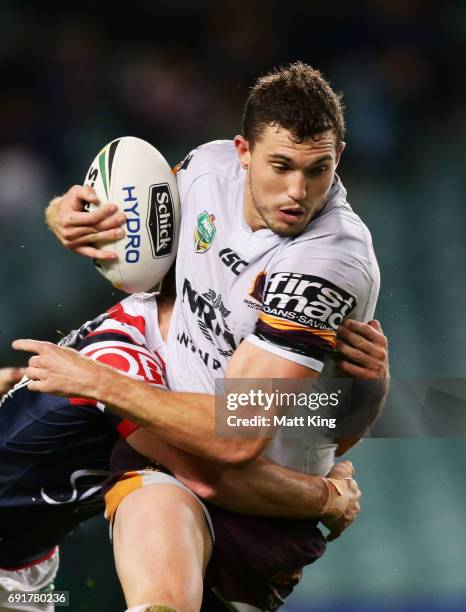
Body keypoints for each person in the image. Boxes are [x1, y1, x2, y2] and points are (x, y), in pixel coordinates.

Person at [19, 62, 388, 611]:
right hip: (167, 451)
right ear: (243, 151)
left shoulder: (328, 260)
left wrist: (100, 382)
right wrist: (64, 216)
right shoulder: (204, 168)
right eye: (281, 165)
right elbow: (125, 232)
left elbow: (236, 440)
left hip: (264, 497)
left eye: (319, 170)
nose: (298, 191)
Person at [2, 288, 384, 612]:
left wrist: (366, 391)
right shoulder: (121, 368)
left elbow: (302, 443)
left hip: (26, 566)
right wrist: (329, 500)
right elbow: (210, 477)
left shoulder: (189, 370)